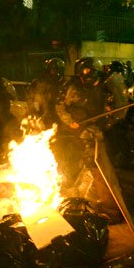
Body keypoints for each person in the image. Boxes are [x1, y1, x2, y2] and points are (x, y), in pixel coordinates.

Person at [55, 57, 106, 195]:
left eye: (90, 70)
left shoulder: (101, 86)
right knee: (74, 161)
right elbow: (60, 106)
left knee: (95, 161)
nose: (87, 73)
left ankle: (89, 189)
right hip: (74, 130)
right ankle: (70, 190)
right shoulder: (73, 87)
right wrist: (70, 121)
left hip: (94, 128)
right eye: (85, 70)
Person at [29, 57, 66, 128]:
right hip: (44, 114)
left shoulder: (60, 82)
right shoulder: (42, 82)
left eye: (58, 70)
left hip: (56, 114)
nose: (57, 73)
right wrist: (37, 112)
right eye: (55, 70)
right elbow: (36, 99)